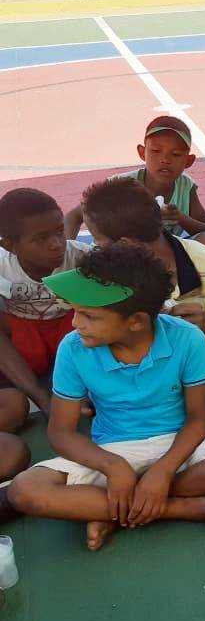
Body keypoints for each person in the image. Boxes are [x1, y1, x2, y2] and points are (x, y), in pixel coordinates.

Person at [5, 241, 205, 551]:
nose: (76, 323)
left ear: (136, 321)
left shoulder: (188, 338)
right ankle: (184, 508)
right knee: (25, 489)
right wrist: (113, 467)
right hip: (113, 451)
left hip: (182, 445)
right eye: (76, 312)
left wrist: (163, 471)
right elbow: (61, 433)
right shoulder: (73, 347)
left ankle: (111, 509)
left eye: (89, 316)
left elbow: (199, 419)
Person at [78, 177, 205, 431]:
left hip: (194, 363)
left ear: (124, 245)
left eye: (98, 241)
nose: (95, 248)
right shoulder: (103, 271)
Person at [0, 189, 88, 498]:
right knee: (16, 402)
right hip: (23, 335)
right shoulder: (3, 267)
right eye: (40, 239)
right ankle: (41, 391)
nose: (56, 244)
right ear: (9, 245)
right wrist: (41, 397)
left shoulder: (81, 257)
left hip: (69, 327)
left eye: (59, 232)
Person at [64, 116, 205, 250]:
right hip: (120, 255)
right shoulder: (121, 185)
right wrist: (67, 253)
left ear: (189, 161)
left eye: (176, 154)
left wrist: (180, 217)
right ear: (142, 153)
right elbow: (74, 216)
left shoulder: (185, 186)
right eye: (156, 151)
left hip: (160, 255)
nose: (165, 159)